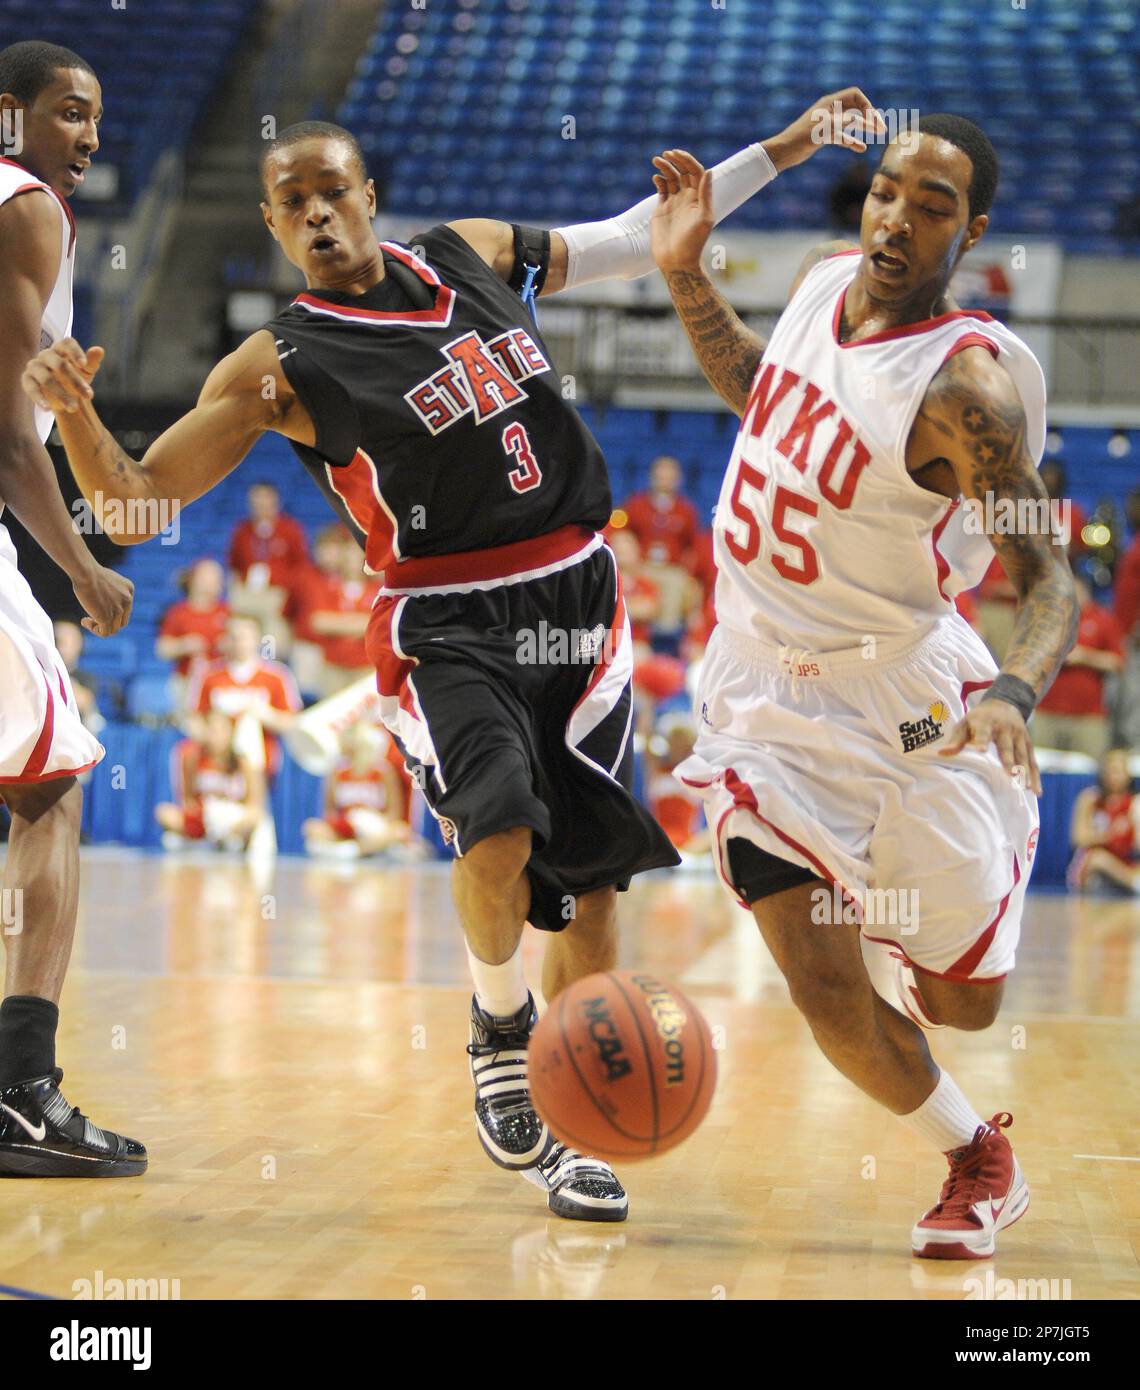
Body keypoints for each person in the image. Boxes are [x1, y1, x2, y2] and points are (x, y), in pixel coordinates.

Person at [23, 89, 886, 1221]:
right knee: (500, 837)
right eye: (294, 205)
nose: (320, 215)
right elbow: (133, 508)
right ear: (277, 231)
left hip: (579, 599)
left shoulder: (466, 256)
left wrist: (789, 145)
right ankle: (498, 1024)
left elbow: (638, 234)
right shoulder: (278, 364)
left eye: (335, 191)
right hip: (446, 617)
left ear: (370, 196)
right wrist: (80, 420)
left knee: (587, 894)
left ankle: (582, 1133)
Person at [650, 111, 1078, 1258]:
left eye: (932, 205)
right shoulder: (820, 278)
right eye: (889, 190)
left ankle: (928, 900)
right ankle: (973, 1153)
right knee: (823, 980)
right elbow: (760, 391)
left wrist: (1015, 696)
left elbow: (1050, 583)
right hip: (759, 696)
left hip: (909, 706)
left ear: (972, 230)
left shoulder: (966, 390)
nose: (897, 217)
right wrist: (688, 274)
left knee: (962, 1002)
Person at [0, 41, 144, 1178]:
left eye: (97, 118)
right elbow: (9, 435)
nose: (89, 137)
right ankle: (22, 1094)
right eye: (69, 113)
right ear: (11, 114)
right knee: (50, 783)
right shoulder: (27, 207)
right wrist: (83, 570)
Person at [185, 612, 301, 778]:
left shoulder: (278, 676)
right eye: (233, 636)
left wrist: (265, 714)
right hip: (215, 765)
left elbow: (291, 721)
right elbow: (193, 719)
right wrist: (212, 738)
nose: (239, 642)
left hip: (260, 765)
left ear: (258, 639)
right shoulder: (208, 675)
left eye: (245, 637)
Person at [1031, 576, 1124, 759]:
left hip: (1088, 716)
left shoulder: (1102, 619)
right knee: (1038, 767)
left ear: (1085, 592)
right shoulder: (1047, 618)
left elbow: (1117, 662)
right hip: (1047, 710)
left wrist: (1084, 656)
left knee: (1090, 770)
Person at [156, 708, 266, 852]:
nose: (218, 736)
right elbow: (186, 799)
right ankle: (198, 840)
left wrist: (228, 813)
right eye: (213, 730)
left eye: (222, 730)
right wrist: (203, 814)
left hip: (231, 818)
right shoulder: (192, 757)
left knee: (254, 818)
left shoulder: (243, 763)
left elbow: (255, 803)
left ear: (232, 733)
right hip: (202, 818)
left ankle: (227, 841)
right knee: (164, 812)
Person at [227, 481, 308, 654]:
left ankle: (270, 666)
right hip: (248, 592)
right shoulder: (242, 530)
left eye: (265, 498)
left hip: (276, 594)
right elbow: (234, 564)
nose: (261, 504)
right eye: (257, 499)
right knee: (240, 632)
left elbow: (300, 565)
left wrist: (290, 595)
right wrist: (235, 590)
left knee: (273, 639)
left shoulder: (290, 529)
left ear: (275, 501)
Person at [155, 556, 229, 701]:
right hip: (186, 680)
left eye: (217, 578)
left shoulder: (227, 611)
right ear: (194, 579)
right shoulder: (177, 612)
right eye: (209, 577)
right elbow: (162, 649)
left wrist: (228, 644)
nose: (214, 583)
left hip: (220, 680)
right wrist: (184, 645)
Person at [1068, 747, 1139, 894]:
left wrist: (1132, 825)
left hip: (1124, 862)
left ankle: (1132, 881)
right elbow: (1079, 838)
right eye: (1111, 771)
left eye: (1119, 771)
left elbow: (1137, 844)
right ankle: (1134, 883)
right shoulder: (1089, 799)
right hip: (1093, 864)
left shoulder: (1134, 803)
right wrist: (1111, 834)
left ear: (1128, 774)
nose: (1114, 777)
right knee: (1098, 859)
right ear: (1103, 773)